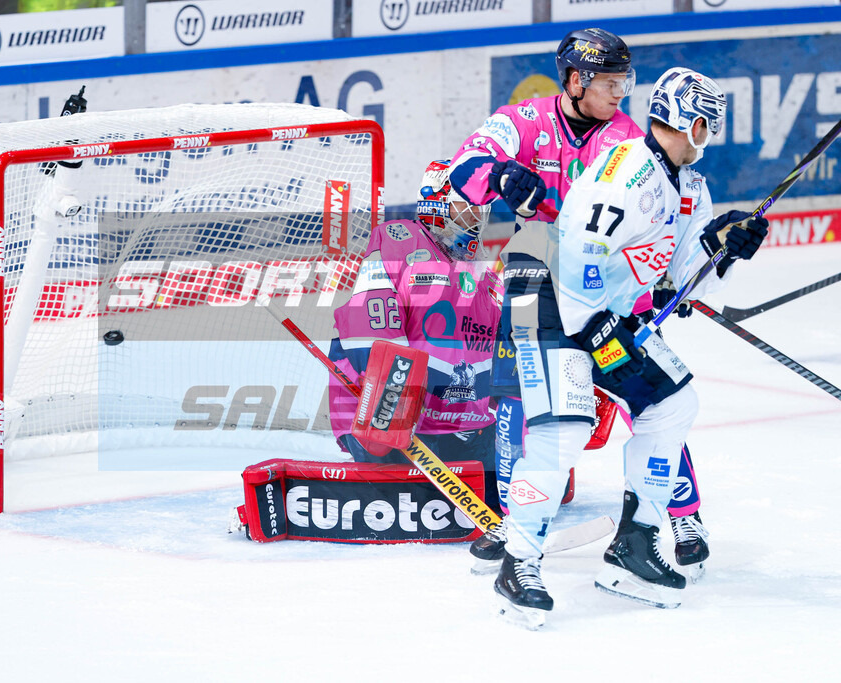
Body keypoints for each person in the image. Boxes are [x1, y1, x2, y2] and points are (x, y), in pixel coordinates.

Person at [488, 67, 768, 626]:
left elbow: (689, 281)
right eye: (708, 123)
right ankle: (517, 562)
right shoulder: (628, 171)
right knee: (563, 427)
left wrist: (726, 246)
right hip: (541, 294)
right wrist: (595, 328)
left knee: (672, 402)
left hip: (598, 312)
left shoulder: (691, 186)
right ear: (690, 122)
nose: (711, 135)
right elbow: (581, 249)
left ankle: (634, 545)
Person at [448, 28, 708, 576]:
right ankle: (505, 520)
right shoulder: (524, 121)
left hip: (603, 284)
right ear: (575, 79)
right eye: (611, 82)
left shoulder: (628, 138)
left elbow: (662, 217)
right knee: (516, 399)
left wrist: (672, 276)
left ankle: (680, 514)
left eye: (626, 82)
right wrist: (497, 173)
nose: (621, 93)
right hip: (531, 277)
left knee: (654, 397)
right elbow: (460, 170)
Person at [328, 159, 503, 513]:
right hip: (389, 418)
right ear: (436, 200)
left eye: (482, 205)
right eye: (466, 202)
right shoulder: (400, 241)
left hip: (460, 424)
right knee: (420, 502)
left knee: (523, 484)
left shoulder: (484, 270)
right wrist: (398, 402)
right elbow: (370, 329)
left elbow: (497, 349)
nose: (477, 213)